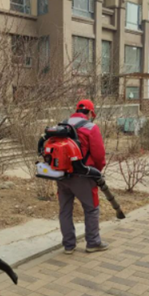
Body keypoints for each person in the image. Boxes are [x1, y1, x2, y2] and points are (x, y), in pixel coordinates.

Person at [58, 99, 109, 254]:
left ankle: (68, 245)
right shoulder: (90, 127)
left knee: (65, 210)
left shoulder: (62, 125)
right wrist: (96, 172)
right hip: (83, 176)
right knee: (91, 209)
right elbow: (99, 155)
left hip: (62, 175)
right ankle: (93, 242)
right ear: (91, 113)